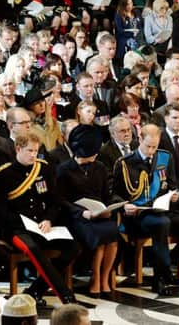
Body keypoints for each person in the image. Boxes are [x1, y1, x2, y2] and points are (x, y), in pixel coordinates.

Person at [112, 124, 179, 295]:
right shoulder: (125, 163)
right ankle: (159, 279)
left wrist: (174, 194)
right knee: (161, 224)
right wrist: (125, 205)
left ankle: (168, 264)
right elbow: (114, 194)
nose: (151, 151)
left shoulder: (164, 157)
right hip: (139, 215)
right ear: (139, 139)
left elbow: (171, 184)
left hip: (163, 209)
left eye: (155, 147)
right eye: (148, 146)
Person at [0, 133, 78, 305]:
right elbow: (2, 212)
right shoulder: (3, 174)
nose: (33, 155)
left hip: (41, 225)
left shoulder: (44, 169)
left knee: (73, 247)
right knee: (33, 249)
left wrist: (48, 220)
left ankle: (33, 292)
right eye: (29, 151)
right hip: (16, 229)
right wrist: (25, 225)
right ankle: (66, 297)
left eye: (36, 151)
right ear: (18, 149)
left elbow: (54, 201)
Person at [58, 125, 119, 298]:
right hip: (76, 217)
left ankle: (105, 276)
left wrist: (108, 209)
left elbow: (107, 194)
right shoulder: (64, 169)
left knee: (113, 232)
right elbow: (61, 199)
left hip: (99, 214)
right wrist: (81, 213)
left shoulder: (99, 167)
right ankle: (96, 278)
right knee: (100, 235)